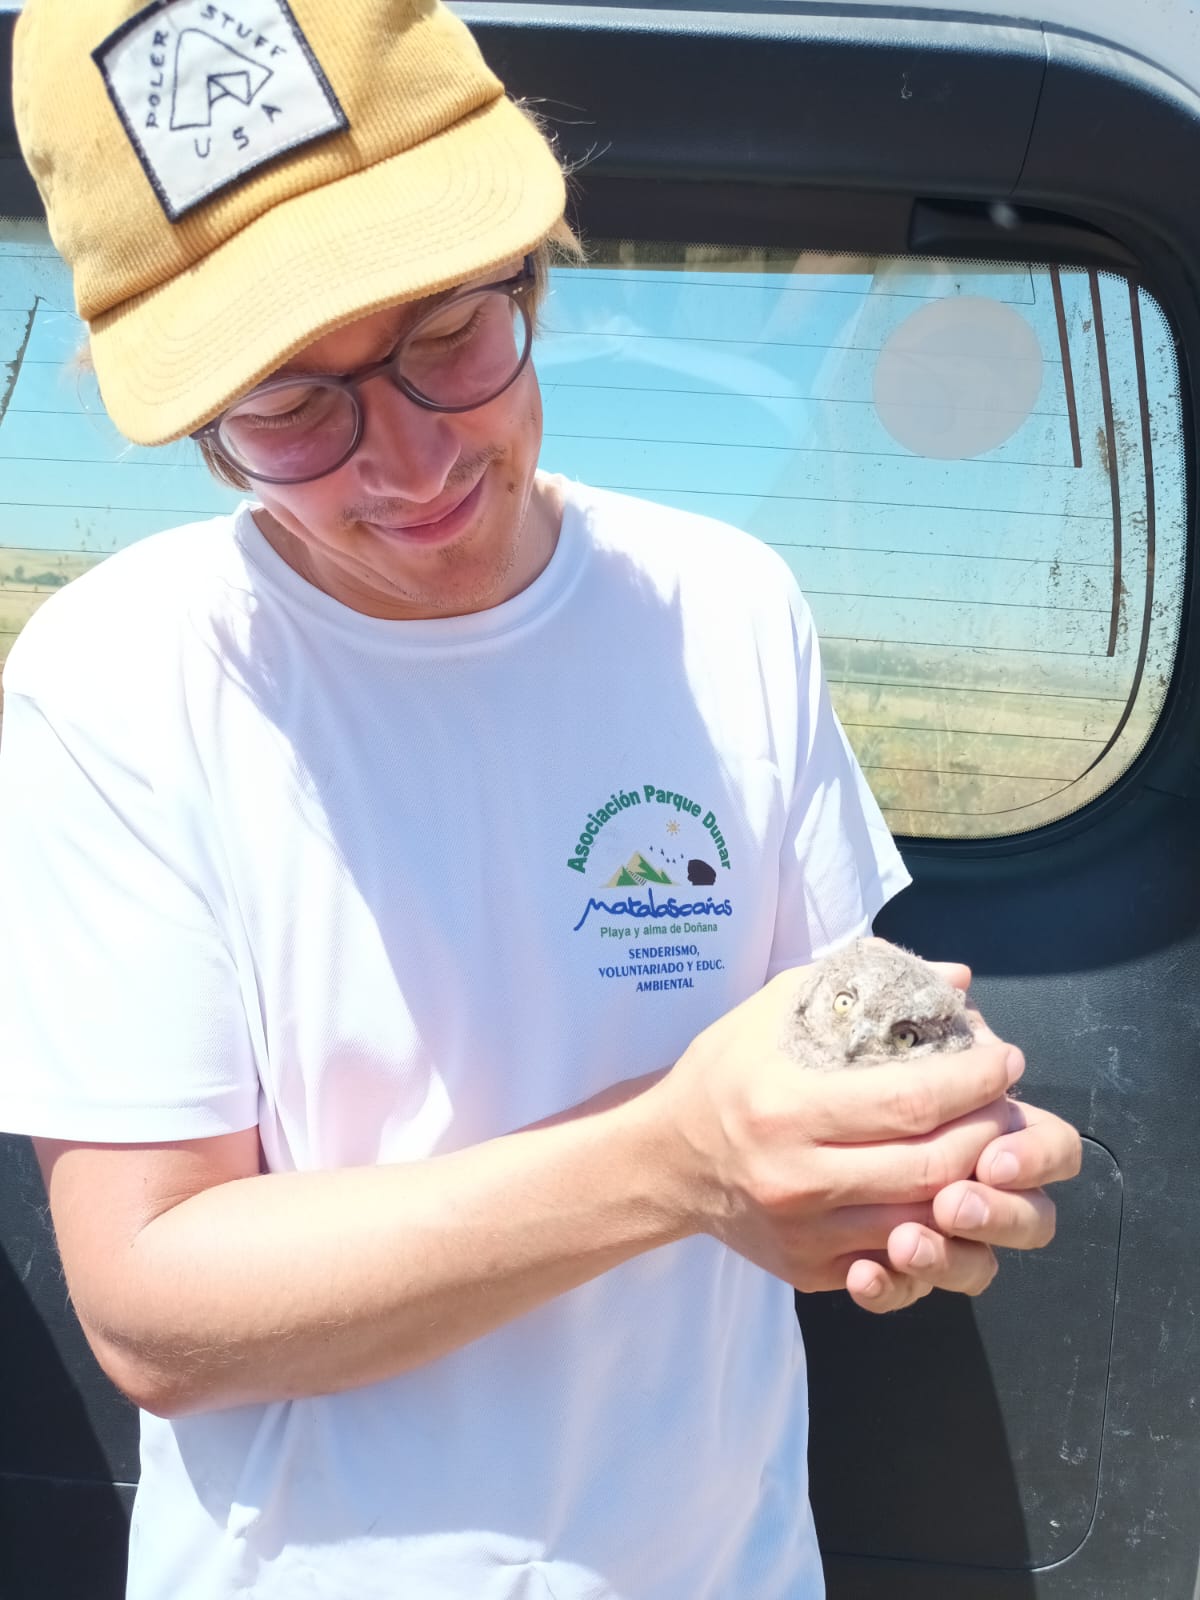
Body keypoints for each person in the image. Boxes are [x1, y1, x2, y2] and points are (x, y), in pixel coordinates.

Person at [0, 2, 1080, 1597]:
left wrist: (920, 1161)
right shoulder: (120, 680)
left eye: (448, 335)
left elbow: (811, 1058)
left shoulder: (726, 609)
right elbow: (154, 1305)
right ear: (202, 432)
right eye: (290, 402)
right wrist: (674, 1161)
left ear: (535, 269)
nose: (406, 463)